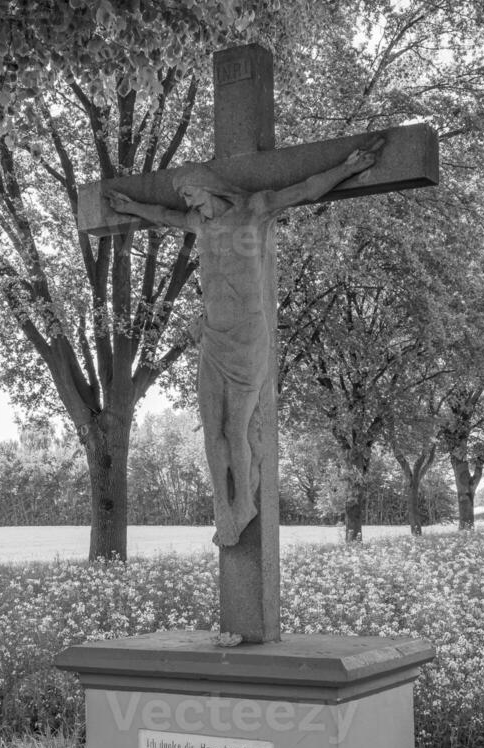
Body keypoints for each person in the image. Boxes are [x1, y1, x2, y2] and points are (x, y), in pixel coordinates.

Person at [105, 138, 383, 546]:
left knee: (236, 429)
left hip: (247, 335)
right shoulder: (200, 224)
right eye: (186, 197)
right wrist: (130, 208)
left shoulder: (254, 210)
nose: (189, 203)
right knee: (210, 429)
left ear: (210, 187)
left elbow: (304, 189)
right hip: (213, 335)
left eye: (192, 193)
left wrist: (347, 168)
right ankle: (224, 506)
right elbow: (162, 214)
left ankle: (244, 503)